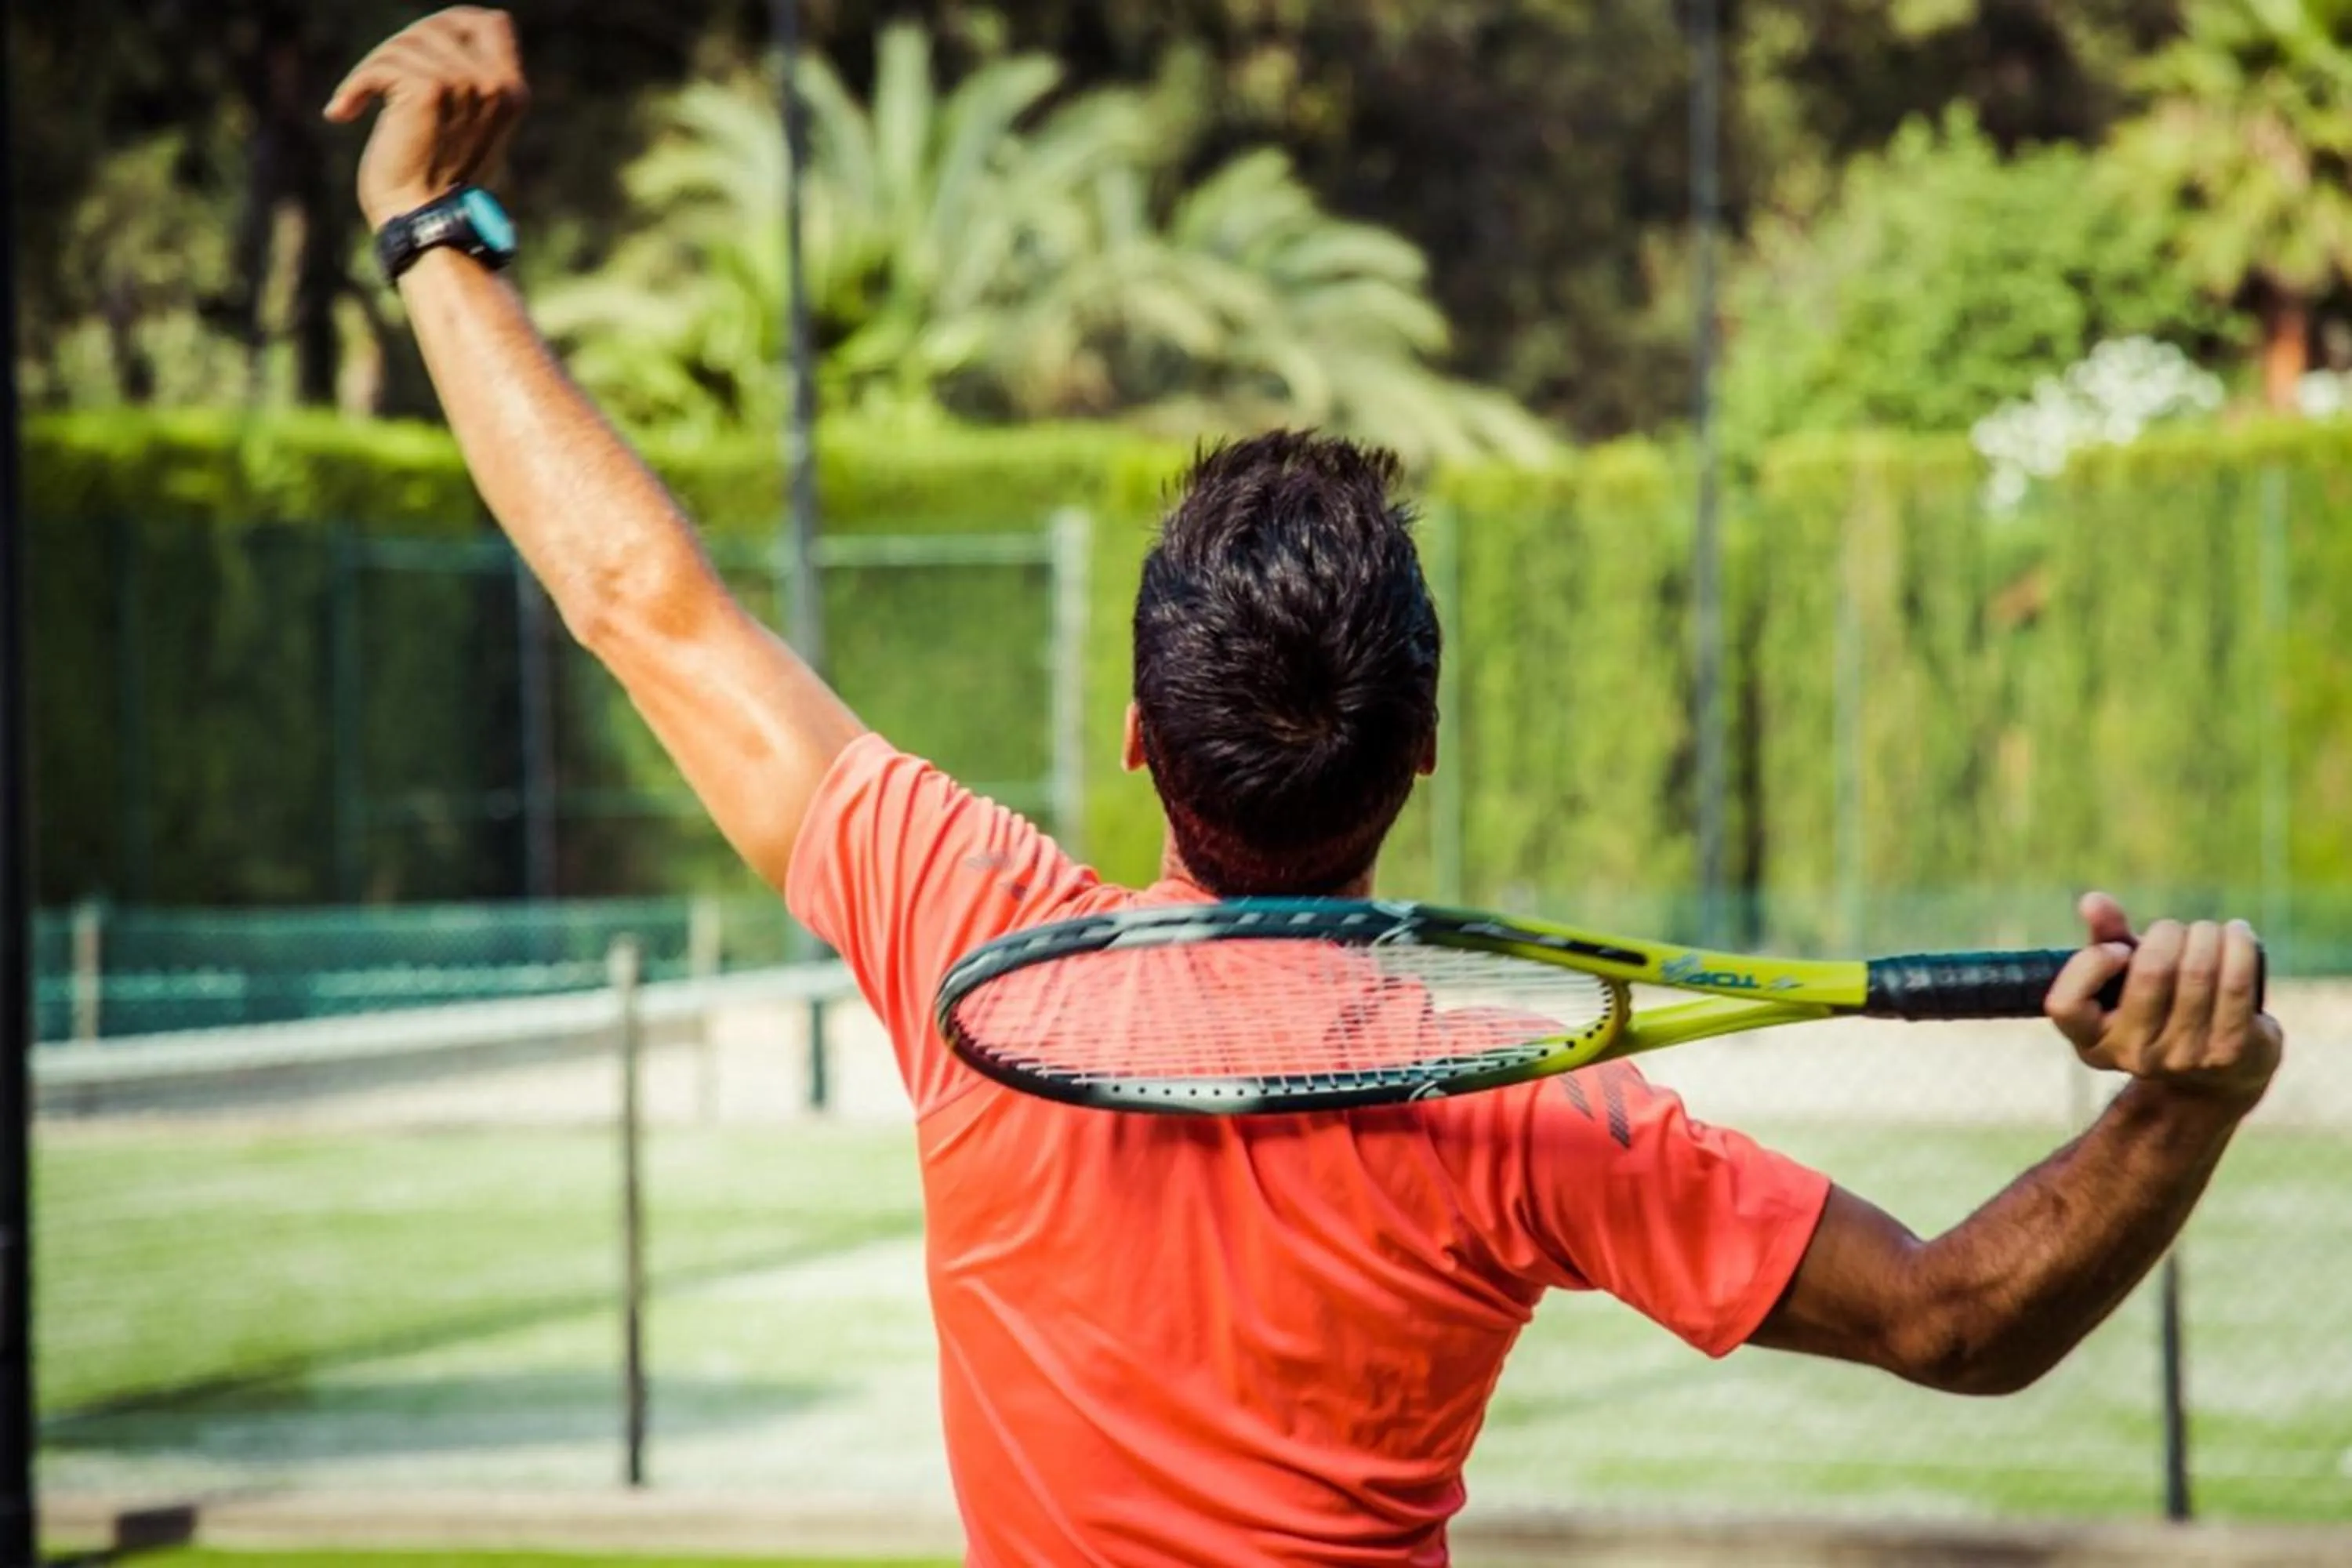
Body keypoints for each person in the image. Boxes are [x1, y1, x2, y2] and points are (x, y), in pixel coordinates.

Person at [328, 12, 2285, 1563]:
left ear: (1137, 734)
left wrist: (431, 233)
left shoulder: (962, 932)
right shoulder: (1528, 1108)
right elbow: (1954, 1319)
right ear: (1419, 748)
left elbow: (638, 600)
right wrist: (2180, 1106)